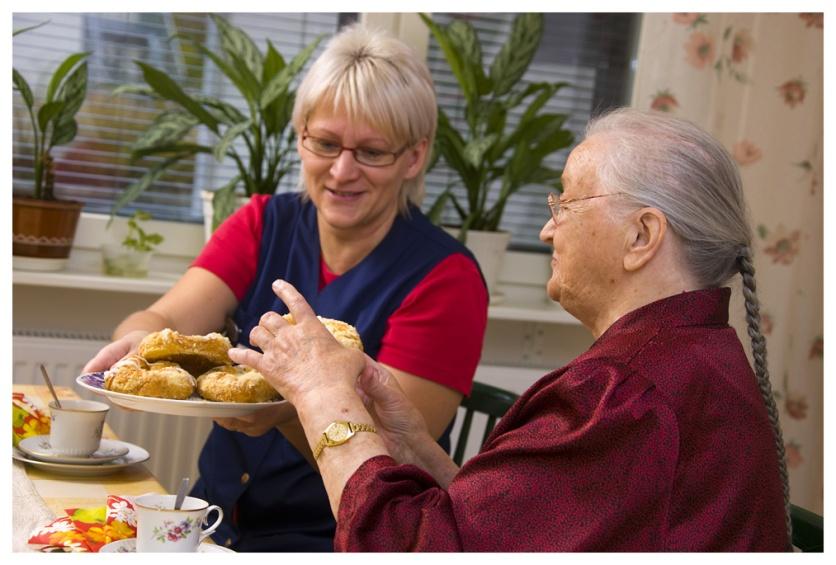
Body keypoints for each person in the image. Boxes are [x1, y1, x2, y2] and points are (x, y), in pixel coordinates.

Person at [231, 108, 792, 551]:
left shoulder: (627, 396)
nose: (549, 229)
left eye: (567, 202)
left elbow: (407, 549)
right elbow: (509, 533)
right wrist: (412, 449)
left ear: (641, 236)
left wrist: (325, 395)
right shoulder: (688, 356)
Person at [82, 24, 488, 551]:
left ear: (413, 157)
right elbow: (161, 323)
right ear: (301, 138)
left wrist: (285, 411)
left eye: (372, 152)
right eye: (325, 143)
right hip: (211, 522)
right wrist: (135, 348)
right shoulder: (261, 223)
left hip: (343, 540)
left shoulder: (446, 279)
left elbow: (389, 456)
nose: (342, 171)